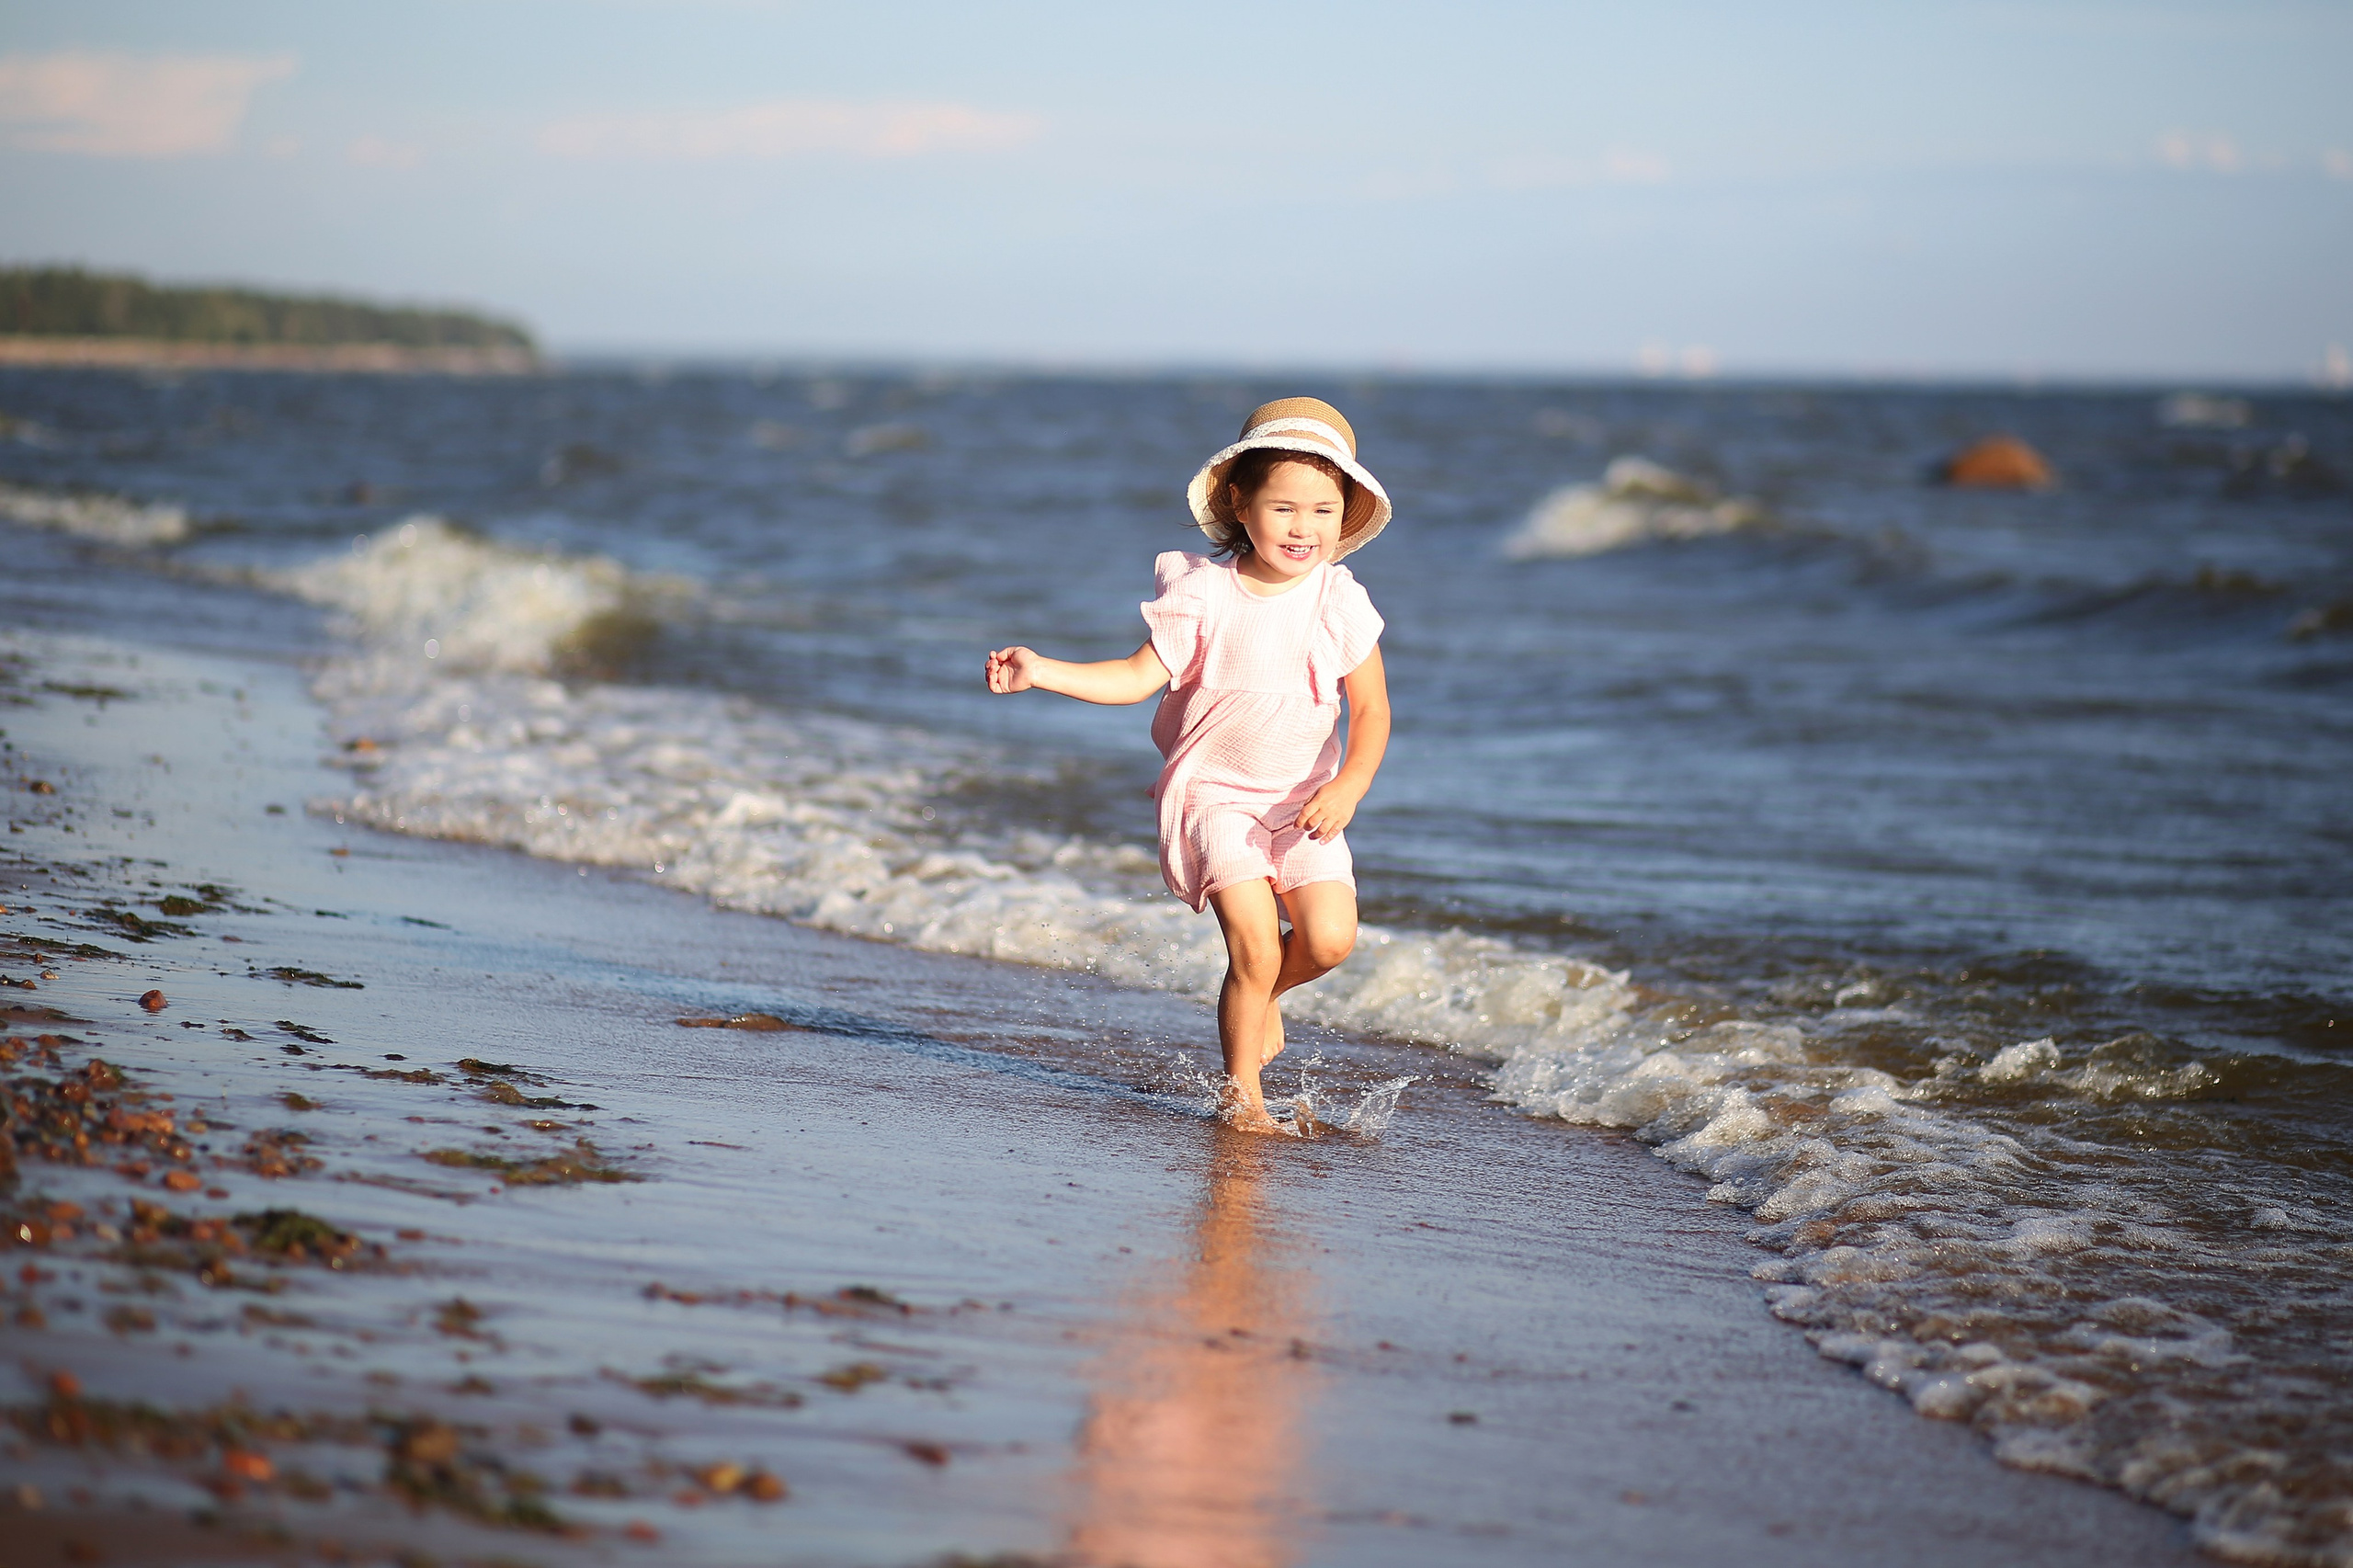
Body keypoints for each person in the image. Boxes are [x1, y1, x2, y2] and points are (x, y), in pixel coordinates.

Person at [985, 398, 1392, 1132]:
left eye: (1324, 510)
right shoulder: (1203, 592)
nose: (1304, 527)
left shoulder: (1339, 599)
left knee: (1329, 939)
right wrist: (1041, 669)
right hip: (1214, 796)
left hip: (1305, 799)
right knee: (1255, 941)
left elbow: (1373, 712)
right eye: (1284, 507)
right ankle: (1244, 1099)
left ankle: (1259, 993)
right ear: (1239, 501)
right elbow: (1135, 677)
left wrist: (1351, 784)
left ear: (1347, 513)